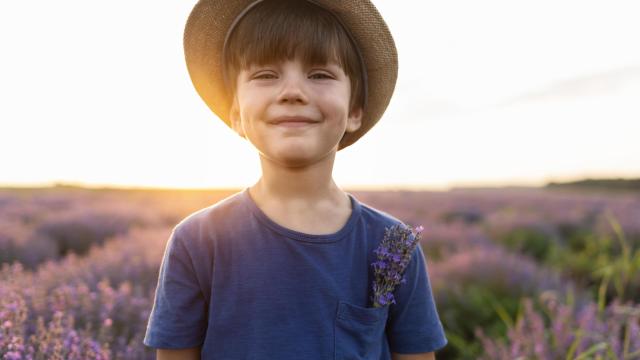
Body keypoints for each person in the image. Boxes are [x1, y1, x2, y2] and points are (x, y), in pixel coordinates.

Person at [143, 0, 447, 359]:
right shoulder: (197, 241)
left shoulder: (393, 245)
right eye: (265, 75)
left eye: (319, 74)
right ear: (237, 115)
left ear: (354, 112)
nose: (292, 92)